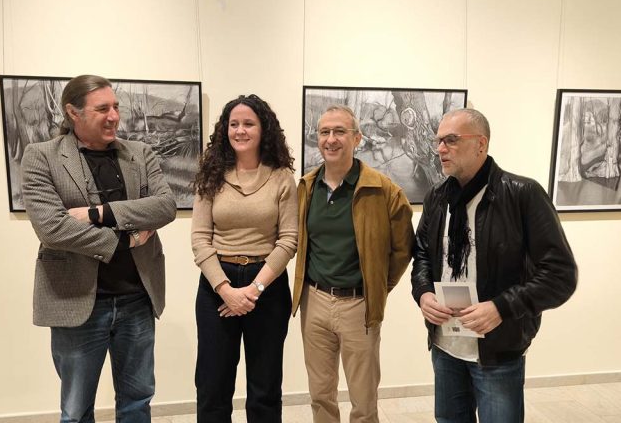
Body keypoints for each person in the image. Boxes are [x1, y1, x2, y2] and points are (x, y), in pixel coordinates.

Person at [21, 74, 177, 422]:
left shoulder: (140, 153)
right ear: (73, 113)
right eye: (103, 108)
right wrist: (125, 238)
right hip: (76, 301)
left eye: (116, 107)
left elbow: (165, 206)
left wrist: (99, 213)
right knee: (76, 410)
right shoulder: (41, 157)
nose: (114, 116)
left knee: (137, 400)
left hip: (137, 298)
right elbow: (52, 228)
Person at [410, 108, 578, 423]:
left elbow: (560, 275)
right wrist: (423, 292)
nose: (440, 149)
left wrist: (501, 307)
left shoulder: (522, 194)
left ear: (481, 144)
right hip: (446, 343)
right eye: (439, 141)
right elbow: (421, 252)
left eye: (451, 140)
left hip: (498, 348)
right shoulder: (437, 197)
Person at [292, 105, 415, 423]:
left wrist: (376, 286)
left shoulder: (384, 190)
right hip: (314, 302)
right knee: (320, 395)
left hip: (359, 305)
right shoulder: (306, 187)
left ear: (357, 138)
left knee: (363, 401)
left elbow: (403, 249)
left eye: (339, 132)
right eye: (324, 132)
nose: (331, 140)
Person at [191, 94, 298, 422]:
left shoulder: (281, 176)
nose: (240, 130)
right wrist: (226, 291)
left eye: (248, 123)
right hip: (216, 286)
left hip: (267, 284)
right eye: (233, 124)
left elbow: (289, 240)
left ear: (264, 129)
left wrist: (254, 290)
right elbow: (199, 239)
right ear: (225, 130)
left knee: (265, 389)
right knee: (212, 386)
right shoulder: (210, 173)